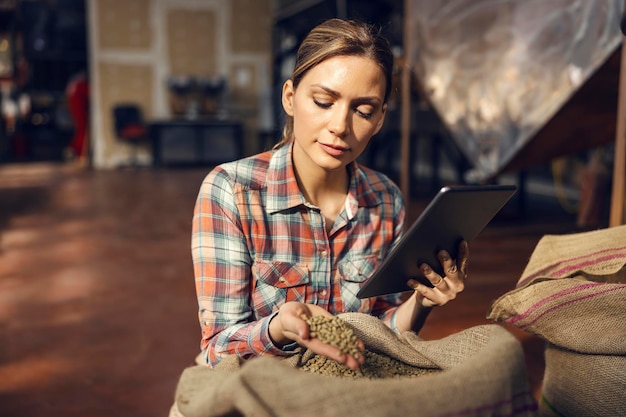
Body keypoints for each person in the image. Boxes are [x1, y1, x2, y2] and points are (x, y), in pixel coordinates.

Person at [191, 18, 468, 371]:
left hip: (347, 378)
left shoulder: (385, 200)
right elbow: (219, 347)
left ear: (380, 119)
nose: (340, 126)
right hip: (259, 376)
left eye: (363, 111)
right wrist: (278, 328)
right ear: (290, 98)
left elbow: (384, 330)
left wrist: (422, 301)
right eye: (323, 102)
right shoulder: (231, 191)